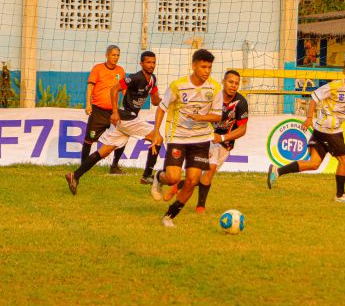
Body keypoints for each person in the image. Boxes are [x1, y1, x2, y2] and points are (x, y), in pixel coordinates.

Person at [267, 57, 345, 203]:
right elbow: (314, 97)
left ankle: (277, 171)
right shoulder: (334, 86)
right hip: (327, 129)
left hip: (329, 129)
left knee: (314, 163)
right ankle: (340, 195)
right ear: (343, 72)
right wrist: (309, 117)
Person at [65, 51, 161, 195]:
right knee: (158, 138)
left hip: (126, 121)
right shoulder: (135, 78)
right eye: (148, 62)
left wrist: (167, 101)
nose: (151, 65)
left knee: (104, 151)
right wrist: (115, 112)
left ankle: (75, 176)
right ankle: (147, 175)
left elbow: (154, 100)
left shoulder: (152, 79)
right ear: (141, 64)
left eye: (153, 62)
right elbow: (114, 88)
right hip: (127, 118)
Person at [149, 49, 223, 227]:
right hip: (178, 137)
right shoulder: (178, 85)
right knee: (173, 178)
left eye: (209, 68)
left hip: (201, 139)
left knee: (192, 180)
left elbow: (218, 116)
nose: (206, 71)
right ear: (194, 65)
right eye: (203, 66)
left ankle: (169, 216)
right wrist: (156, 132)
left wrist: (202, 118)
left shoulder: (215, 88)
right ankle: (159, 177)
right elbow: (162, 108)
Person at [162, 70, 249, 213]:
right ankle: (200, 207)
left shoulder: (241, 102)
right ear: (223, 82)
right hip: (206, 137)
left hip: (225, 143)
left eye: (236, 83)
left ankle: (179, 187)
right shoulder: (213, 96)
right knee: (210, 169)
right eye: (230, 82)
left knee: (205, 176)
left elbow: (243, 129)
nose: (233, 86)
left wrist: (222, 138)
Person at [82, 45, 127, 174]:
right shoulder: (98, 69)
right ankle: (83, 166)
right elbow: (90, 87)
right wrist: (88, 104)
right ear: (107, 55)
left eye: (118, 55)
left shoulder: (121, 71)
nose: (116, 57)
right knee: (89, 140)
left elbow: (124, 90)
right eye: (113, 55)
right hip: (98, 111)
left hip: (114, 112)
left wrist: (126, 106)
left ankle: (114, 166)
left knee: (122, 137)